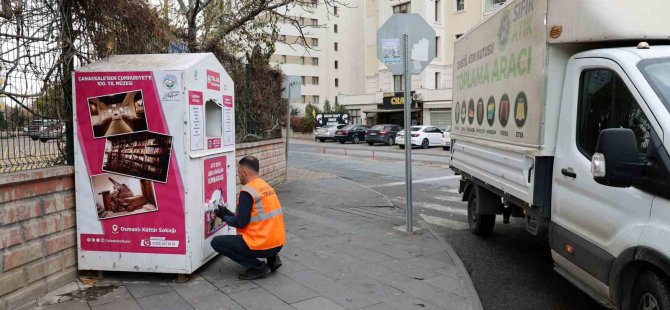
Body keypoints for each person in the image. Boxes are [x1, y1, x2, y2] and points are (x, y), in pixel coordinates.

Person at [210, 156, 285, 280]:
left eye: (238, 172)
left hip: (262, 245)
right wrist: (228, 213)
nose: (238, 175)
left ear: (245, 173)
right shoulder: (265, 186)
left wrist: (223, 217)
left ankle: (258, 267)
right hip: (277, 243)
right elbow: (252, 217)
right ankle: (273, 259)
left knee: (216, 242)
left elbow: (240, 223)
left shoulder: (247, 192)